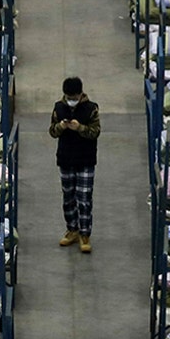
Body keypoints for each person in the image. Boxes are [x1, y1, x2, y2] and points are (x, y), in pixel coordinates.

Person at [49, 76, 101, 253]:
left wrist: (80, 128)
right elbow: (52, 131)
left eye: (74, 97)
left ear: (80, 94)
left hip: (85, 159)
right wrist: (61, 128)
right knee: (68, 196)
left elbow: (95, 132)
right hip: (66, 158)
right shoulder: (59, 108)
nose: (71, 101)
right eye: (68, 97)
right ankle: (72, 229)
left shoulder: (91, 109)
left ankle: (85, 233)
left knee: (84, 198)